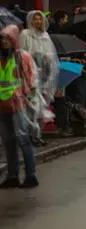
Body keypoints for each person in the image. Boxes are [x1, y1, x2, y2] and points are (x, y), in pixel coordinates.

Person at [0, 25, 38, 188]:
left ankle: (30, 175)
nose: (4, 42)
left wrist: (26, 95)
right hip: (2, 103)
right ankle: (12, 174)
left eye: (8, 39)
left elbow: (32, 78)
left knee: (23, 138)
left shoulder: (23, 57)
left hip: (19, 103)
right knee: (8, 140)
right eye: (2, 39)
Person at [19, 11, 59, 138]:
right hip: (30, 73)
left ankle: (38, 134)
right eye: (35, 19)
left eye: (40, 19)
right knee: (31, 104)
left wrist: (47, 58)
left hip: (44, 73)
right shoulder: (25, 34)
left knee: (42, 105)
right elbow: (22, 52)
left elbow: (51, 54)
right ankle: (30, 134)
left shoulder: (45, 35)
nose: (37, 22)